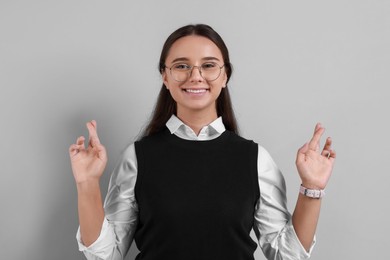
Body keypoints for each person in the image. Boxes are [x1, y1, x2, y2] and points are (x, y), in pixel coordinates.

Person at [69, 24, 336, 260]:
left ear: (225, 75)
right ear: (165, 76)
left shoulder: (254, 159)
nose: (195, 76)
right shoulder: (138, 158)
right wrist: (87, 183)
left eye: (208, 65)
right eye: (181, 66)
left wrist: (311, 189)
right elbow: (105, 254)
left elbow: (286, 256)